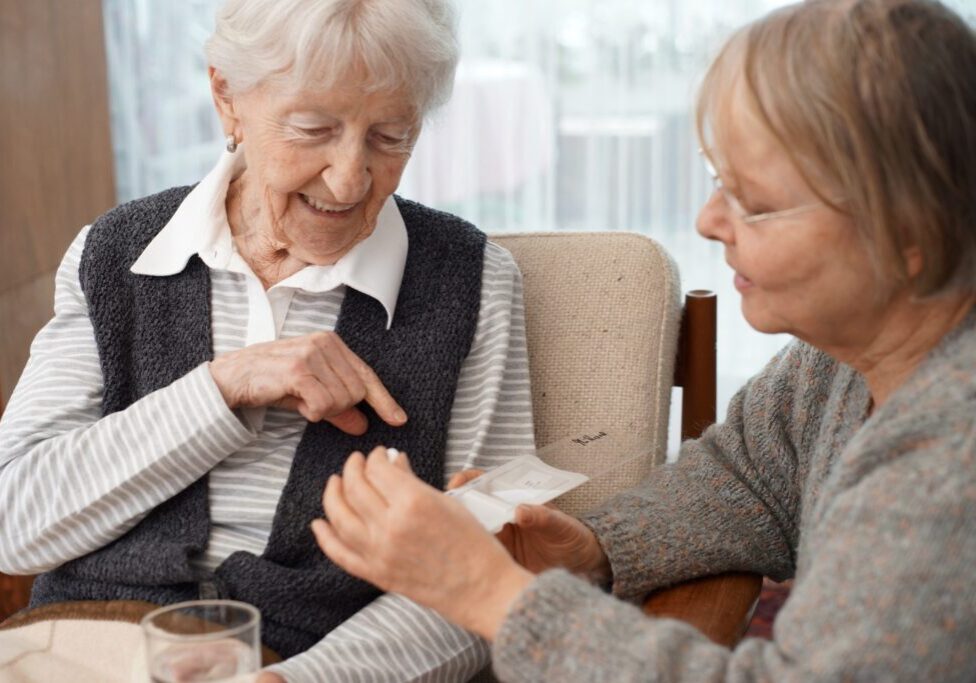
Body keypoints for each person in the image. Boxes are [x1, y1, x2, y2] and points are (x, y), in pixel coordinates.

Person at [312, 0, 976, 680]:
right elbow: (747, 476)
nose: (709, 220)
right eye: (720, 181)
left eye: (757, 202)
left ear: (907, 234)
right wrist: (599, 546)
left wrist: (490, 593)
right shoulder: (836, 362)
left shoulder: (948, 462)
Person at [0, 0, 535, 680]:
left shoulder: (471, 281)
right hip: (74, 647)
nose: (349, 178)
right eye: (313, 128)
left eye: (390, 136)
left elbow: (487, 574)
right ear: (227, 96)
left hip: (304, 663)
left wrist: (297, 681)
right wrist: (225, 388)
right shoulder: (115, 255)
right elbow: (12, 519)